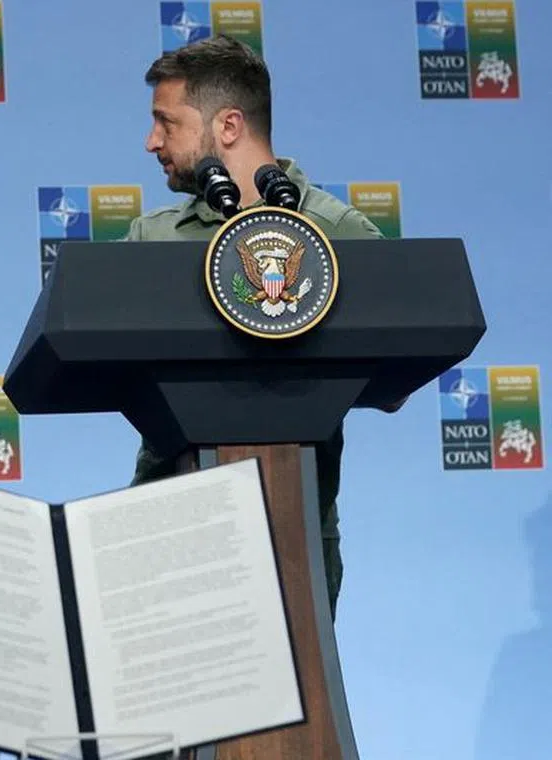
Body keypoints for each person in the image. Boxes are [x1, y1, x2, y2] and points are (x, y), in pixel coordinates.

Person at [124, 34, 399, 620]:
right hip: (164, 539)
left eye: (164, 123)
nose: (151, 142)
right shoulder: (152, 240)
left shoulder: (334, 233)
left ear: (227, 127)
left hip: (297, 541)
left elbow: (402, 349)